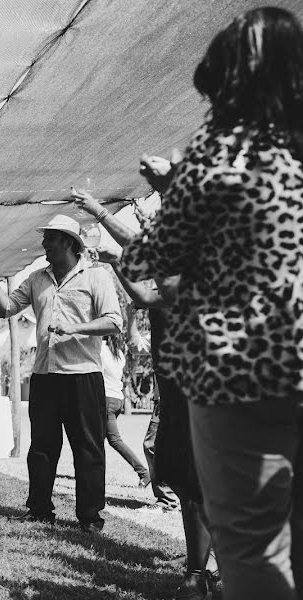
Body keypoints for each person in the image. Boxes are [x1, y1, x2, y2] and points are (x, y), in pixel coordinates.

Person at [114, 8, 303, 598]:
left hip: (237, 371)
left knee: (253, 549)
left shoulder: (219, 150)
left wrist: (172, 188)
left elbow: (147, 258)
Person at [73, 189, 214, 599]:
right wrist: (118, 263)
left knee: (207, 485)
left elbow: (146, 283)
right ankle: (199, 572)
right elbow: (145, 290)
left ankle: (202, 572)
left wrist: (99, 213)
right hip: (178, 393)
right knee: (191, 486)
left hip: (206, 394)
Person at [0, 214, 122, 532]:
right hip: (45, 375)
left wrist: (74, 328)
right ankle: (40, 509)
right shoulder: (36, 279)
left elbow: (114, 322)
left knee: (88, 448)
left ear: (68, 243)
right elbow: (5, 309)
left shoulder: (96, 277)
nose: (43, 244)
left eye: (50, 239)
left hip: (83, 375)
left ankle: (89, 517)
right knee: (42, 447)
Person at [101, 332, 150, 487]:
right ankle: (91, 473)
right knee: (95, 440)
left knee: (115, 440)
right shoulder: (119, 354)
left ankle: (143, 472)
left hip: (106, 399)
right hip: (117, 400)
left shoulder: (100, 350)